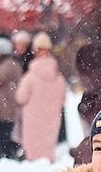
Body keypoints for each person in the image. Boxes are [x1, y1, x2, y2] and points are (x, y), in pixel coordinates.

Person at [15, 33, 67, 163]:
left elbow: (20, 98)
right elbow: (63, 99)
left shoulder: (30, 77)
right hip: (52, 117)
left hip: (32, 118)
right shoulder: (59, 78)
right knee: (48, 143)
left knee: (33, 148)